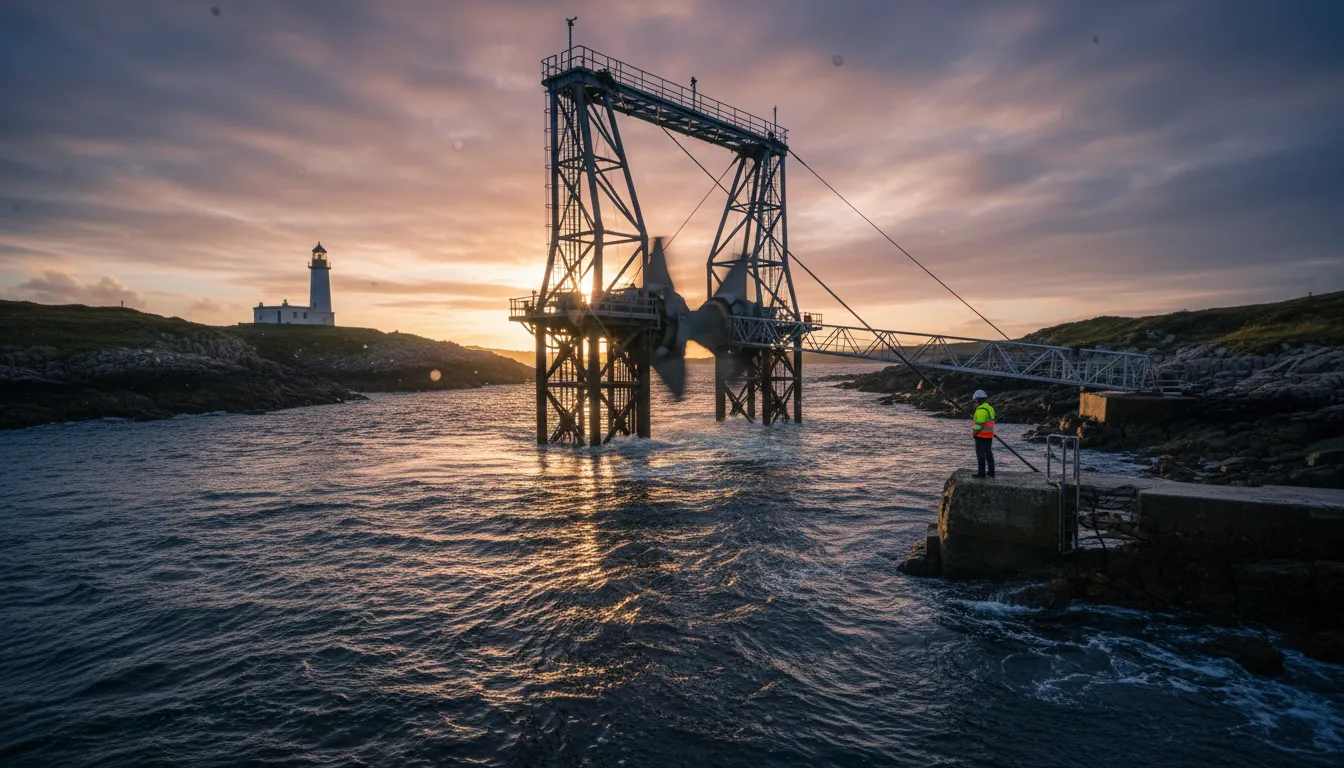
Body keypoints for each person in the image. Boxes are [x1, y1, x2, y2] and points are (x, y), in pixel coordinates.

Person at [971, 389, 996, 479]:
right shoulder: (990, 408)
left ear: (978, 400)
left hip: (981, 436)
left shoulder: (980, 410)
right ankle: (991, 472)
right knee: (989, 453)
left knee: (980, 454)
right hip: (989, 435)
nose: (974, 404)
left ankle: (981, 473)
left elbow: (979, 425)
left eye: (974, 401)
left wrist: (974, 434)